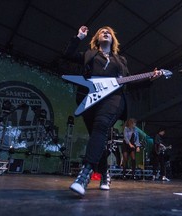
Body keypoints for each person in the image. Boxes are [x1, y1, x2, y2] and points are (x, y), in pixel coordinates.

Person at [63, 25, 161, 196]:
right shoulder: (89, 54)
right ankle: (104, 173)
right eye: (102, 31)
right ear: (97, 38)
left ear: (113, 39)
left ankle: (84, 175)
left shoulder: (121, 60)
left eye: (108, 32)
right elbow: (68, 55)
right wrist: (78, 37)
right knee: (96, 136)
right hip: (90, 99)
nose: (105, 32)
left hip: (114, 98)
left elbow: (129, 83)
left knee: (101, 126)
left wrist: (150, 79)